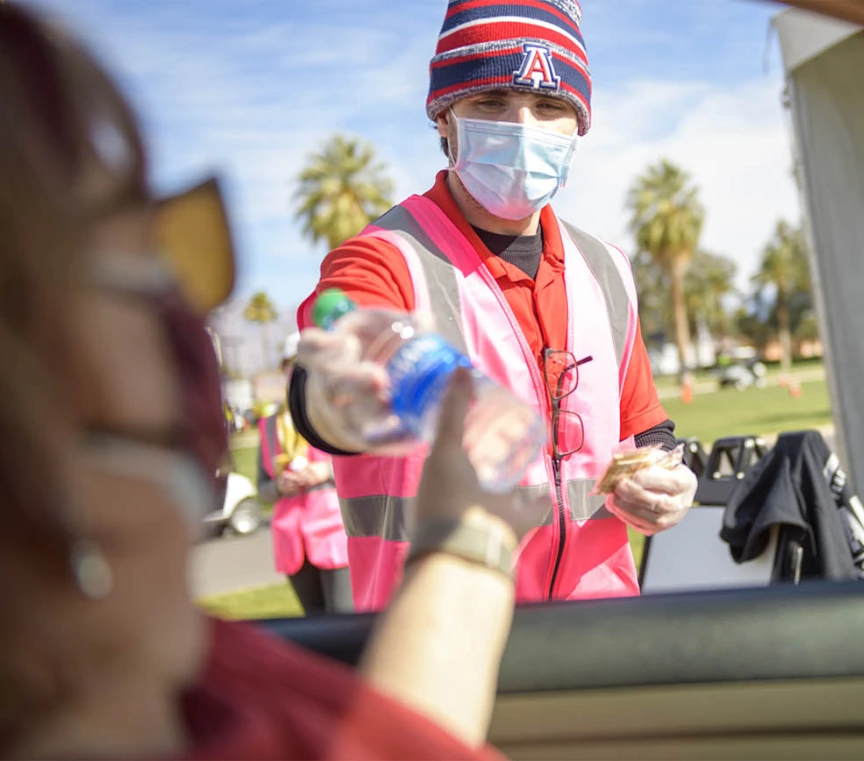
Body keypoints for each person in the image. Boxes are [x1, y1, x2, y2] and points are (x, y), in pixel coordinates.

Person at [0, 4, 538, 757]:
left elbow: (391, 742)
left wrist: (467, 537)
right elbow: (322, 383)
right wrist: (336, 400)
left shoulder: (198, 676)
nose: (192, 310)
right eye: (154, 256)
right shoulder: (385, 253)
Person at [290, 0, 699, 611]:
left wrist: (667, 476)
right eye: (491, 103)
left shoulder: (608, 269)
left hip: (600, 635)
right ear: (445, 119)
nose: (523, 126)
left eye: (551, 106)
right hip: (436, 646)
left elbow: (647, 430)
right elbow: (322, 397)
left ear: (578, 125)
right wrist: (339, 387)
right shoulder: (382, 259)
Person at [256, 333, 352, 614]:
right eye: (293, 364)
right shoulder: (270, 425)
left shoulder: (339, 412)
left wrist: (327, 470)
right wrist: (279, 486)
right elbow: (261, 488)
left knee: (345, 624)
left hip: (334, 533)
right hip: (292, 540)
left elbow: (368, 468)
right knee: (315, 626)